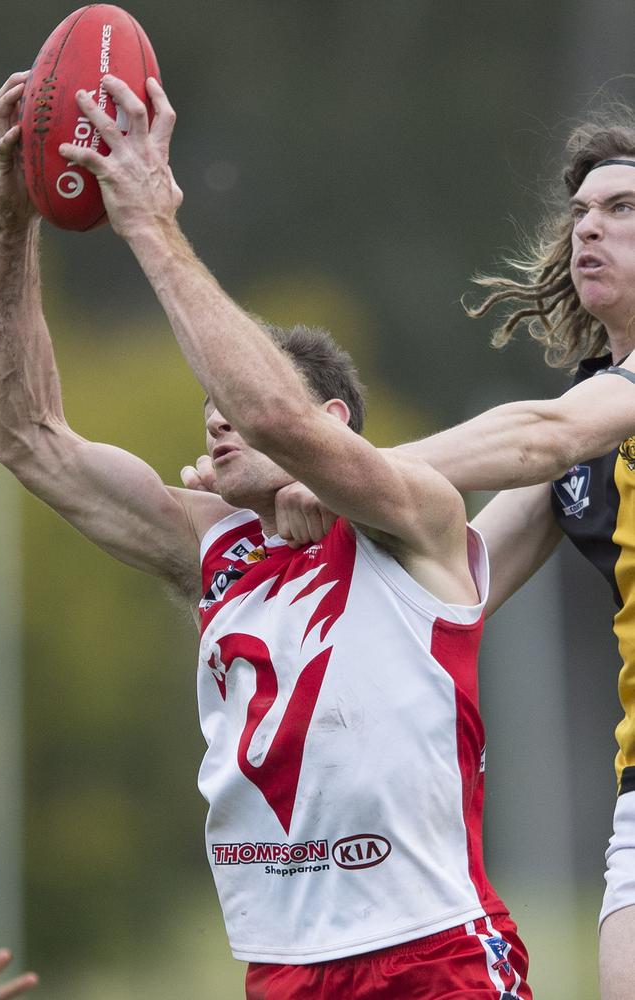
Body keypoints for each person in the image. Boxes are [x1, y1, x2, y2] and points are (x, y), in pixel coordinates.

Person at [0, 73, 534, 998]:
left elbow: (277, 420)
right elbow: (21, 431)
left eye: (235, 403)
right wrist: (10, 216)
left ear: (333, 420)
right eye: (212, 408)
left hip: (429, 951)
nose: (218, 419)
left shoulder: (414, 520)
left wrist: (151, 224)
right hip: (281, 965)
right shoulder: (214, 548)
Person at [227, 117, 635, 1000]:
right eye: (581, 213)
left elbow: (538, 437)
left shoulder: (581, 421)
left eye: (623, 207)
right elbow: (444, 577)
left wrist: (337, 471)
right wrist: (269, 516)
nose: (589, 228)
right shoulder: (589, 424)